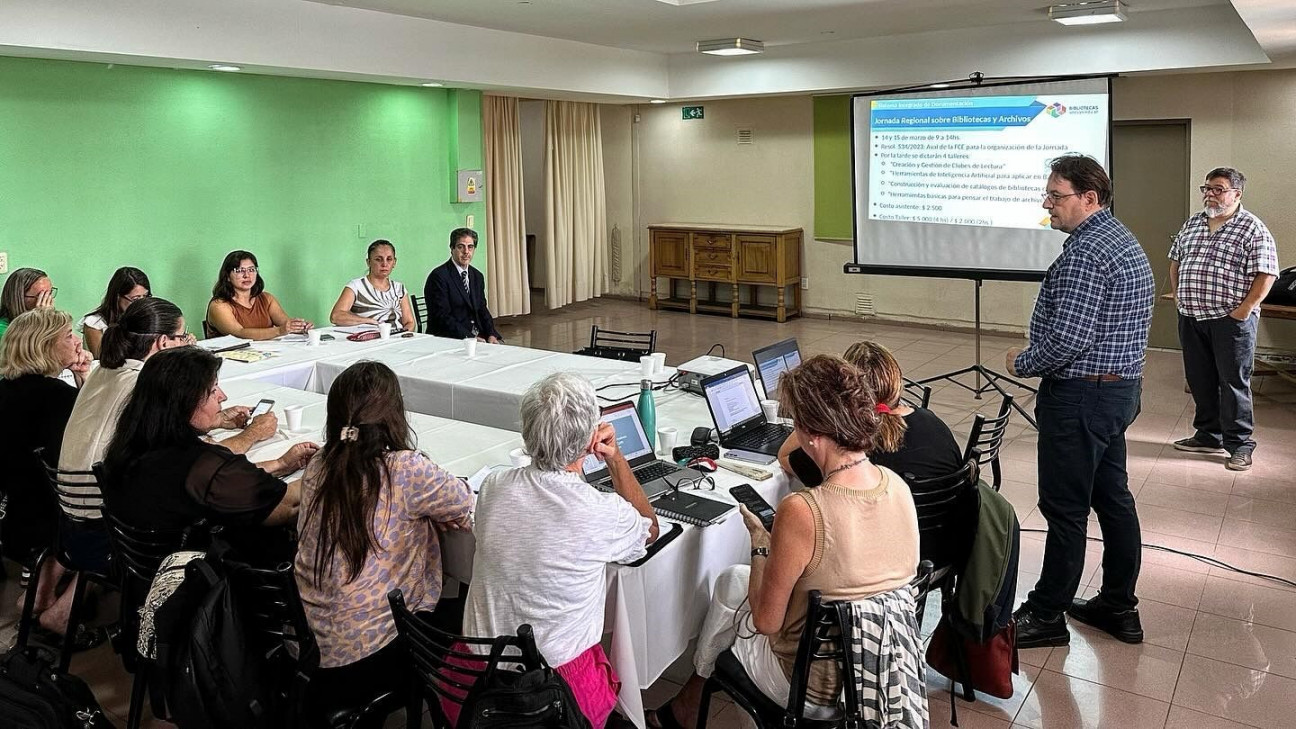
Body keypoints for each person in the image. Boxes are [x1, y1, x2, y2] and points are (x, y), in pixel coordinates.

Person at [653, 355, 921, 729]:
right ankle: (689, 701)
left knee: (732, 586)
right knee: (735, 585)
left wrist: (761, 543)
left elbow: (765, 621)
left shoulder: (804, 509)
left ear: (809, 432)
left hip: (810, 687)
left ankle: (693, 698)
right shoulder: (897, 485)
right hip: (878, 675)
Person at [1004, 154, 1155, 649]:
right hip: (1117, 392)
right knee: (1113, 499)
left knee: (1064, 509)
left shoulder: (1087, 254)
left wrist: (1022, 361)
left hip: (1083, 396)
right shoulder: (1122, 240)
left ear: (1089, 198)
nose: (1048, 205)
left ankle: (1047, 614)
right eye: (1048, 195)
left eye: (1056, 195)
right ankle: (1117, 606)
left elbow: (1068, 339)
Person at [465, 372, 658, 727]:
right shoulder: (599, 512)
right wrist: (615, 459)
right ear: (589, 442)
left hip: (474, 684)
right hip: (555, 696)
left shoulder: (493, 487)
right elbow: (650, 528)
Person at [295, 361, 473, 721]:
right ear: (395, 413)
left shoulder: (320, 464)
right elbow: (465, 500)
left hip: (315, 643)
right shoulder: (405, 469)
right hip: (374, 656)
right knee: (469, 612)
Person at [100, 346, 317, 560]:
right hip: (203, 578)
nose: (223, 396)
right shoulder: (202, 464)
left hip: (144, 568)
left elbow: (214, 485)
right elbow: (289, 504)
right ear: (185, 401)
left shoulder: (133, 445)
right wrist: (325, 463)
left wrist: (280, 463)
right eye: (213, 391)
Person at [778, 340, 965, 565]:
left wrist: (813, 415)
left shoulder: (849, 449)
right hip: (948, 548)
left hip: (889, 561)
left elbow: (785, 456)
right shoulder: (933, 422)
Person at [1169, 167, 1279, 472]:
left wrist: (1244, 310)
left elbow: (1267, 274)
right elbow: (1176, 261)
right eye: (1207, 188)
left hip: (1230, 321)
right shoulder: (1193, 223)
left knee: (1233, 383)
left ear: (1236, 194)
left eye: (1218, 189)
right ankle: (1208, 434)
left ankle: (1240, 444)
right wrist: (1179, 297)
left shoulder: (1252, 228)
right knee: (1200, 380)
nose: (1210, 194)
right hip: (1192, 316)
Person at [0, 308, 97, 648]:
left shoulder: (7, 389)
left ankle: (37, 598)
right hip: (51, 516)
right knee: (118, 515)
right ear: (44, 346)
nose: (77, 340)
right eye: (68, 335)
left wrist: (80, 377)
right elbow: (93, 443)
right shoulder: (54, 396)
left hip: (16, 514)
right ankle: (61, 613)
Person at [206, 250, 312, 341]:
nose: (247, 275)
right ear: (227, 276)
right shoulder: (218, 305)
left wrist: (300, 327)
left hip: (266, 355)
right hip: (230, 361)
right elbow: (239, 333)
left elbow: (285, 324)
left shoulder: (267, 298)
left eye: (251, 270)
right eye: (239, 271)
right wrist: (279, 330)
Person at [423, 228, 503, 342]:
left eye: (470, 247)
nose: (466, 252)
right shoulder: (438, 277)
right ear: (452, 249)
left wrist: (491, 334)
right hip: (448, 338)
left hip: (477, 336)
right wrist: (471, 338)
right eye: (461, 247)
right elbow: (442, 317)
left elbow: (482, 309)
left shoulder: (477, 276)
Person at [328, 239, 417, 332]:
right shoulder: (356, 286)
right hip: (369, 341)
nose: (384, 264)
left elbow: (410, 322)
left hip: (397, 339)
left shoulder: (399, 288)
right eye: (378, 259)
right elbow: (336, 316)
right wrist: (367, 321)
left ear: (394, 262)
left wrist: (403, 336)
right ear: (368, 262)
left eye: (389, 259)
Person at [80, 266, 151, 358]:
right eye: (135, 299)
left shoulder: (148, 319)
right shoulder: (95, 323)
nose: (141, 304)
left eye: (145, 297)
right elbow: (104, 360)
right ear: (117, 297)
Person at [0, 267, 56, 340]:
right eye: (41, 296)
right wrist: (43, 319)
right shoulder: (4, 330)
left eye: (49, 293)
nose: (48, 300)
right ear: (19, 298)